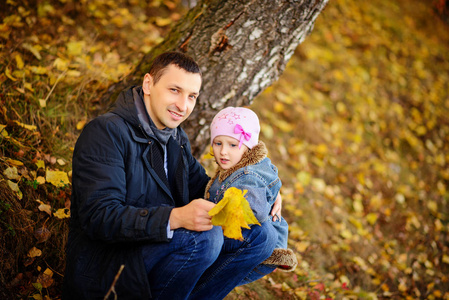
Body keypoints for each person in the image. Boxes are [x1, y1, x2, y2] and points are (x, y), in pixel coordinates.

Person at [63, 51, 284, 300]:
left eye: (192, 96)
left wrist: (258, 191)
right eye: (174, 90)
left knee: (261, 235)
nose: (183, 106)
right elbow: (99, 217)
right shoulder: (106, 132)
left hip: (157, 252)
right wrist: (175, 217)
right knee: (206, 239)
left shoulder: (175, 138)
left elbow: (204, 189)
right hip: (109, 267)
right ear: (148, 84)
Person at [203, 107, 297, 285]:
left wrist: (215, 213)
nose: (223, 151)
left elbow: (256, 212)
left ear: (248, 147)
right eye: (218, 143)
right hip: (248, 239)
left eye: (232, 145)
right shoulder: (236, 164)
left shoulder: (248, 176)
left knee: (219, 278)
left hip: (258, 248)